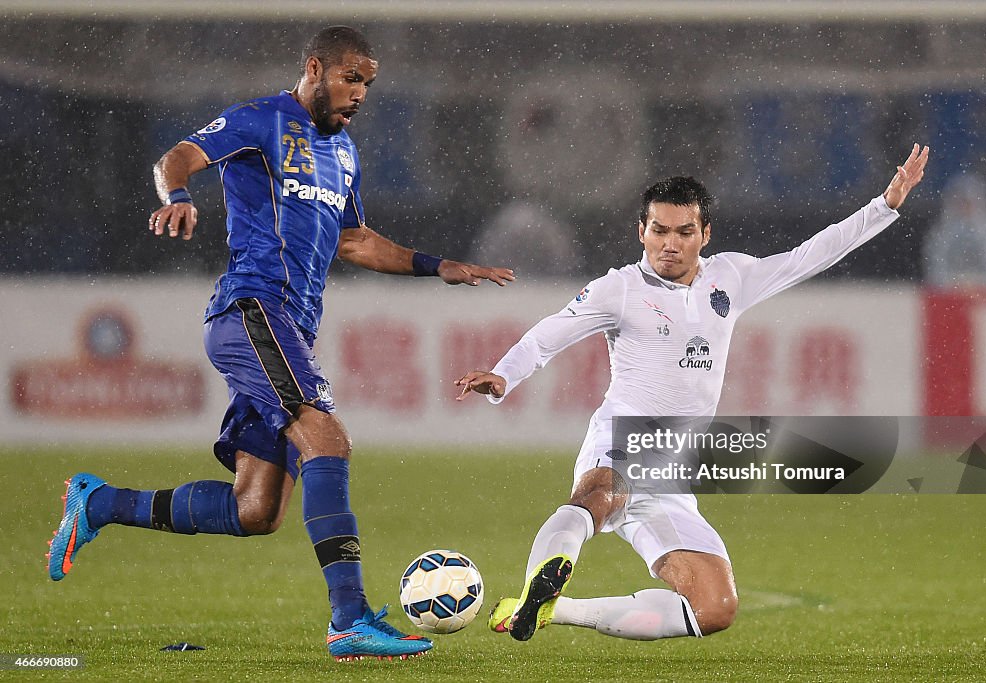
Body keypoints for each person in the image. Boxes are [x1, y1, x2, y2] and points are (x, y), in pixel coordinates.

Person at [47, 25, 514, 662]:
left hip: (288, 328)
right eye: (351, 77)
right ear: (315, 68)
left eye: (369, 84)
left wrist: (440, 266)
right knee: (328, 439)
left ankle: (98, 502)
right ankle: (349, 620)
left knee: (256, 509)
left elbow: (354, 241)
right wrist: (178, 196)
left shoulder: (344, 152)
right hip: (252, 309)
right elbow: (175, 159)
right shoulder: (262, 118)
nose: (361, 93)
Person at [456, 144, 929, 643]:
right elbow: (549, 334)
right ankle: (540, 581)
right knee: (600, 492)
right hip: (623, 435)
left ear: (705, 235)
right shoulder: (618, 289)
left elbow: (808, 256)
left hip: (673, 470)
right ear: (641, 231)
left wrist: (885, 205)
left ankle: (553, 608)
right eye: (658, 230)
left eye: (684, 232)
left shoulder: (731, 277)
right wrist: (504, 374)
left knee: (714, 607)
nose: (670, 244)